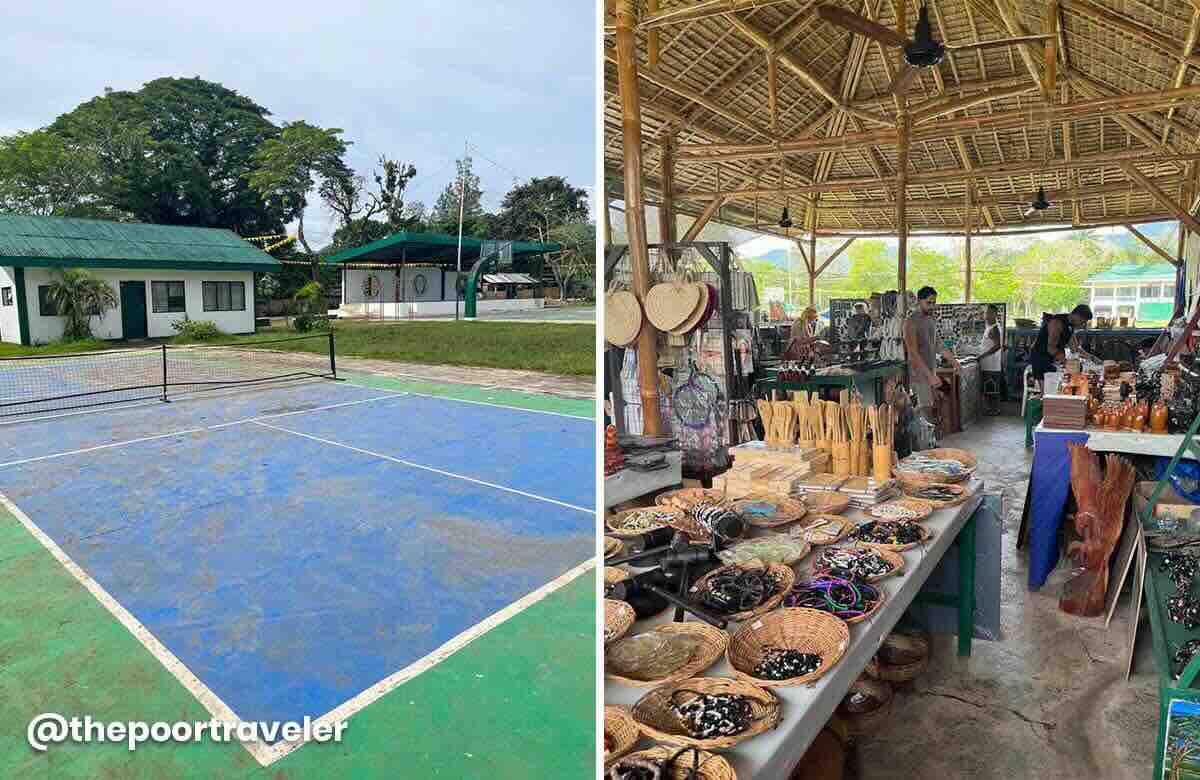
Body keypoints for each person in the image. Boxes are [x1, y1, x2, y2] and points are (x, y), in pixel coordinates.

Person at [903, 286, 959, 423]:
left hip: (930, 372)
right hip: (918, 375)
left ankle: (930, 441)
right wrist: (929, 376)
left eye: (934, 302)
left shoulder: (931, 320)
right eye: (929, 303)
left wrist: (954, 362)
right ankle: (924, 443)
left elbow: (939, 345)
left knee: (931, 410)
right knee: (924, 413)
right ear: (919, 301)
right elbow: (913, 353)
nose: (932, 306)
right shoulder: (911, 321)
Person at [1029, 304, 1096, 388]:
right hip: (1040, 358)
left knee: (1070, 379)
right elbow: (1051, 348)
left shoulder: (1070, 325)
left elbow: (1075, 349)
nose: (1083, 325)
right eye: (1082, 321)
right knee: (1048, 393)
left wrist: (1092, 358)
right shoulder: (1057, 322)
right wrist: (1066, 362)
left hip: (1052, 359)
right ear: (1076, 315)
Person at [978, 305, 1004, 415]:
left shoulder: (994, 328)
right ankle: (991, 409)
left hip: (991, 364)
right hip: (989, 364)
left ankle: (995, 409)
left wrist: (983, 355)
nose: (986, 315)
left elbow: (998, 345)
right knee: (989, 388)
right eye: (985, 313)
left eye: (988, 313)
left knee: (992, 388)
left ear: (994, 314)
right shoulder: (991, 327)